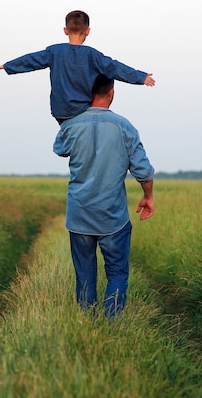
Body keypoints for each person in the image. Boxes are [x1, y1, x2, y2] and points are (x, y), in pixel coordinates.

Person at [53, 74, 155, 318]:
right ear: (112, 93)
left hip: (79, 215)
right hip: (113, 217)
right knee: (118, 274)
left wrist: (69, 114)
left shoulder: (71, 124)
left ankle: (88, 326)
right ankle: (112, 326)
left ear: (87, 93)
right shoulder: (125, 126)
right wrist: (147, 196)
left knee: (85, 277)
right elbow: (143, 170)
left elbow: (60, 149)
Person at [0, 10, 155, 124]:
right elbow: (114, 67)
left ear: (65, 31)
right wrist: (140, 77)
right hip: (83, 110)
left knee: (70, 135)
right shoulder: (92, 55)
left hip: (60, 111)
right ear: (88, 31)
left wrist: (8, 66)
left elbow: (31, 60)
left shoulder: (54, 51)